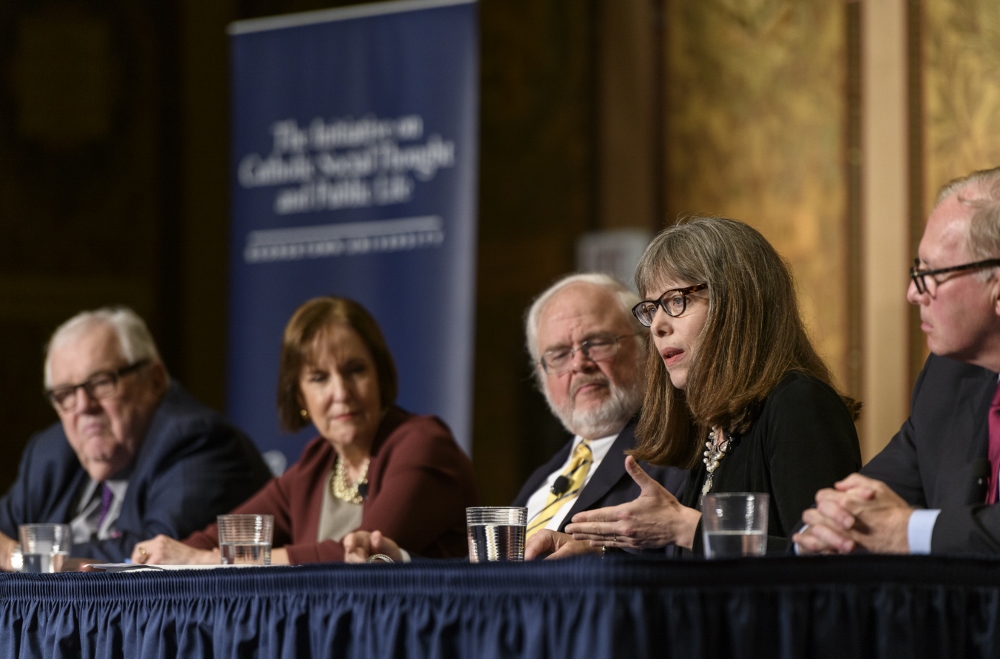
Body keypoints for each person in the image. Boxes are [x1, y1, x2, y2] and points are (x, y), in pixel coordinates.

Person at [562, 217, 862, 555]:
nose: (658, 325)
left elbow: (827, 561)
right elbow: (701, 571)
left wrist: (685, 527)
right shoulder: (717, 424)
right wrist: (596, 551)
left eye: (677, 301)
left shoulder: (799, 405)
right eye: (651, 308)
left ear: (736, 302)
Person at [342, 274, 686, 563]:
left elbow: (684, 562)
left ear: (646, 346)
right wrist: (399, 560)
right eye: (559, 354)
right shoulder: (547, 475)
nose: (579, 364)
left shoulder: (674, 449)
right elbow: (489, 578)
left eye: (596, 343)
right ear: (542, 376)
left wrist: (600, 553)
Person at [132, 296, 478, 565]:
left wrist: (209, 562)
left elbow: (362, 555)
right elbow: (221, 538)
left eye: (355, 370)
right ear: (300, 395)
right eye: (319, 378)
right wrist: (161, 555)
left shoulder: (423, 445)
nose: (341, 393)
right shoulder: (316, 465)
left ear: (380, 376)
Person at [794, 166, 1000, 556]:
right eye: (915, 270)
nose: (912, 293)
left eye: (931, 273)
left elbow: (898, 528)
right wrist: (825, 527)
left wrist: (911, 532)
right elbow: (866, 498)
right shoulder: (947, 379)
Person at [0, 307, 272, 569]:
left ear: (154, 380)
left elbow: (153, 557)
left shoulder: (198, 441)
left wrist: (21, 558)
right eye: (65, 395)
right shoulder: (50, 452)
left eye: (101, 382)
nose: (83, 406)